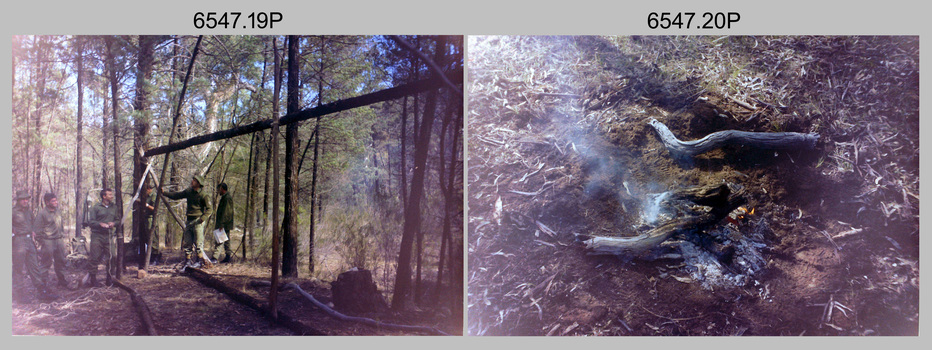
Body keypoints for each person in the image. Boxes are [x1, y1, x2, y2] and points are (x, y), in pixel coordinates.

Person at [12, 190, 58, 302]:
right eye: (23, 199)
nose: (25, 201)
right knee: (18, 268)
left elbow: (33, 223)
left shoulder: (28, 211)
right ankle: (19, 295)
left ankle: (42, 292)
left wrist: (33, 231)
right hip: (18, 241)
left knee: (34, 267)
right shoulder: (12, 212)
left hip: (29, 241)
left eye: (27, 199)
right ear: (18, 200)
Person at [162, 175, 212, 268]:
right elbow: (177, 195)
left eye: (194, 180)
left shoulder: (204, 195)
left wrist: (202, 218)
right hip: (189, 220)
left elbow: (210, 209)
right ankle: (188, 261)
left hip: (198, 221)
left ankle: (199, 261)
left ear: (198, 183)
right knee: (187, 242)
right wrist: (164, 193)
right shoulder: (188, 192)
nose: (192, 181)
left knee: (198, 242)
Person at [35, 193, 73, 290]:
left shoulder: (58, 212)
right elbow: (37, 231)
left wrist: (62, 237)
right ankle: (42, 284)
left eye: (56, 200)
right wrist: (43, 241)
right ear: (47, 202)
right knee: (46, 263)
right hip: (48, 241)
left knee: (61, 261)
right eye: (53, 201)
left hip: (59, 240)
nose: (56, 202)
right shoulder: (42, 213)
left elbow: (61, 225)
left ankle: (62, 281)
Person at [85, 188, 120, 287]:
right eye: (109, 194)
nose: (111, 196)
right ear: (104, 196)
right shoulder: (96, 208)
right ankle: (93, 280)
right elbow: (91, 222)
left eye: (111, 194)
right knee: (94, 258)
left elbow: (118, 220)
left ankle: (109, 279)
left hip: (109, 236)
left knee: (113, 256)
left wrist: (114, 223)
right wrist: (100, 224)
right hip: (97, 236)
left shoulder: (114, 207)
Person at [137, 184, 161, 265]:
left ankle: (156, 257)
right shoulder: (146, 197)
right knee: (146, 238)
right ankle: (149, 257)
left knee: (153, 238)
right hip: (145, 219)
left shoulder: (153, 196)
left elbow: (155, 208)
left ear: (149, 189)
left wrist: (146, 205)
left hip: (151, 219)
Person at [213, 182, 234, 263]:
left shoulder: (227, 198)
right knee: (226, 241)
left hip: (224, 224)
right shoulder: (225, 197)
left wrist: (222, 224)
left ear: (222, 189)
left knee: (220, 240)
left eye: (219, 189)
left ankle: (215, 258)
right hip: (225, 223)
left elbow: (226, 212)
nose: (218, 191)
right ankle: (228, 257)